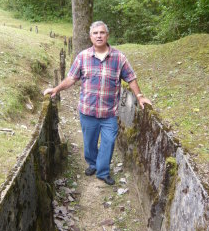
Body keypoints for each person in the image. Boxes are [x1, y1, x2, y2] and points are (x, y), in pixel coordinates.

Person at [44, 21, 152, 185]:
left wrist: (140, 96)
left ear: (107, 35)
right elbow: (71, 78)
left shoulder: (119, 58)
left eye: (102, 33)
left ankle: (102, 172)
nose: (99, 36)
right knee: (89, 143)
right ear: (90, 37)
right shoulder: (82, 57)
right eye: (95, 33)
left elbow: (131, 78)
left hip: (109, 113)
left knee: (108, 142)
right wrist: (56, 89)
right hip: (87, 111)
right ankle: (93, 164)